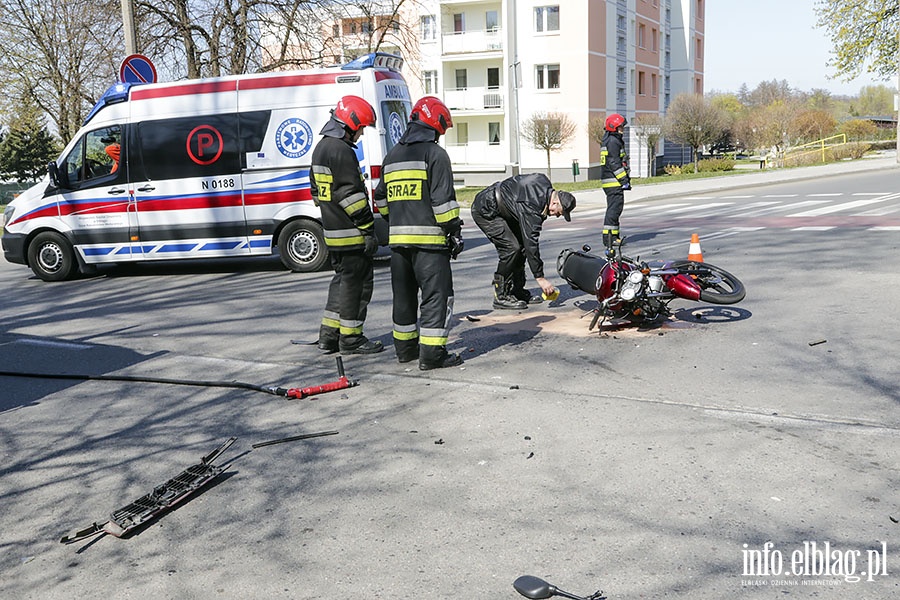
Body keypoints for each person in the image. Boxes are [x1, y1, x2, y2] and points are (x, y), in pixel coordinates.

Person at [373, 96, 464, 371]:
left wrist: (396, 220)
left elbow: (380, 199)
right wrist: (454, 233)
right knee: (436, 297)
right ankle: (433, 355)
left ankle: (405, 351)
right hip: (430, 245)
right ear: (434, 125)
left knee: (404, 297)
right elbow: (444, 205)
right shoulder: (434, 155)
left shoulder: (392, 156)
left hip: (399, 245)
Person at [310, 95, 384, 355]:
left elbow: (317, 193)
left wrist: (332, 214)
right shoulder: (340, 150)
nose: (361, 134)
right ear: (350, 123)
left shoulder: (321, 148)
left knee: (341, 283)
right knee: (358, 285)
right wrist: (367, 228)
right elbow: (350, 196)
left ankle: (328, 336)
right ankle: (351, 338)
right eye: (360, 128)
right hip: (351, 234)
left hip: (333, 231)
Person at [471, 173, 576, 310]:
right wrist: (540, 278)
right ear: (555, 203)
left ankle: (517, 290)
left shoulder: (544, 184)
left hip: (505, 209)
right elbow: (531, 243)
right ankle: (501, 296)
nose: (557, 215)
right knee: (511, 249)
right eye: (559, 212)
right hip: (486, 209)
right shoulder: (532, 207)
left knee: (520, 248)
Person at [599, 113, 631, 247]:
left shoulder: (610, 140)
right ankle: (609, 239)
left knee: (615, 209)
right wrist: (624, 180)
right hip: (614, 182)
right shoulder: (613, 141)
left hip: (611, 181)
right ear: (614, 127)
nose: (622, 129)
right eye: (621, 127)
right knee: (614, 210)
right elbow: (614, 163)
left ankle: (614, 237)